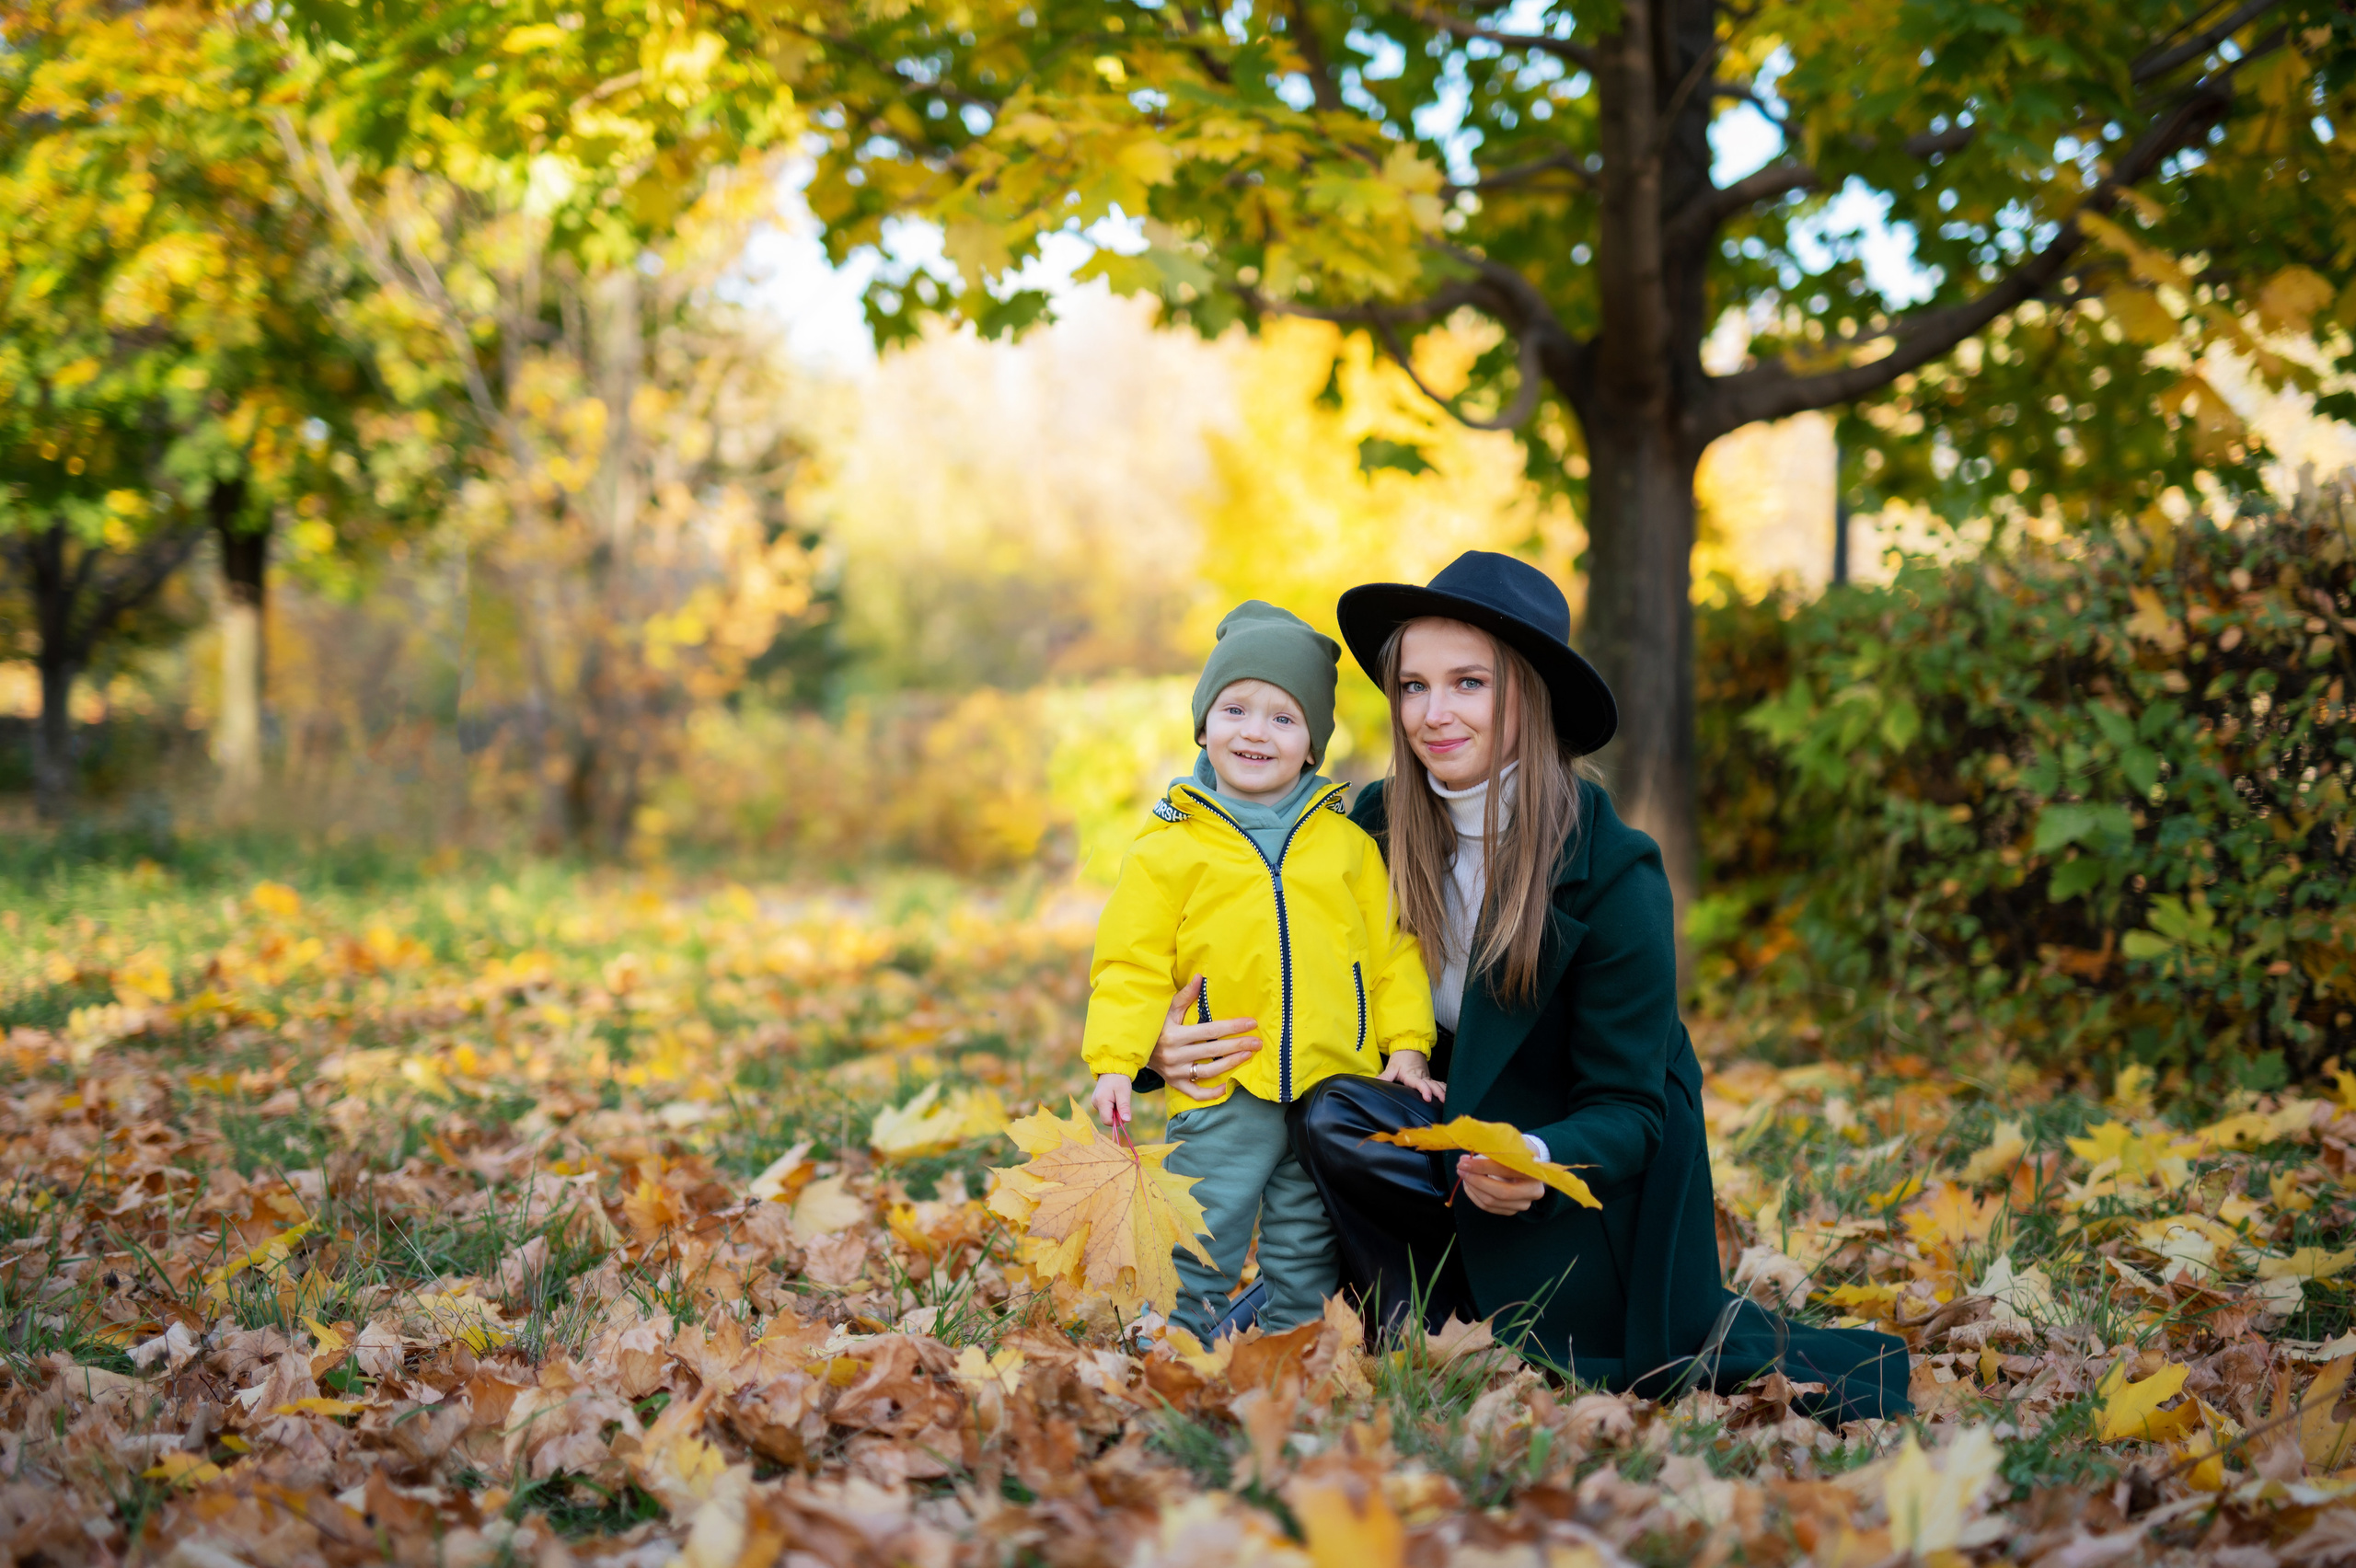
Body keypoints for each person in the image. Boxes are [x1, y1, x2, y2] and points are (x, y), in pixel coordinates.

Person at [1138, 555, 1911, 1423]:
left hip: (1570, 1189)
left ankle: (1489, 1322)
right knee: (1331, 1112)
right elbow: (1271, 973)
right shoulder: (1367, 830)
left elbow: (1633, 1107)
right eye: (1414, 686)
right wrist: (1161, 1049)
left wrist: (1538, 1161)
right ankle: (1404, 1327)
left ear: (1529, 694)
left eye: (1469, 683)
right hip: (1426, 1153)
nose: (1435, 715)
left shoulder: (1613, 871)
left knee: (1371, 1131)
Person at [1084, 600, 1438, 1343]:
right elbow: (1130, 962)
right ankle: (1180, 1345)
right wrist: (1117, 1058)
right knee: (1202, 1232)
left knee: (1305, 1247)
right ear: (1204, 728)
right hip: (1223, 1083)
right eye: (1236, 708)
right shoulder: (1168, 849)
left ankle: (1293, 1351)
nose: (1255, 731)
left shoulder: (1347, 849)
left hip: (1327, 1088)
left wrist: (1407, 1044)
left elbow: (1394, 951)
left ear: (1312, 745)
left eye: (1284, 718)